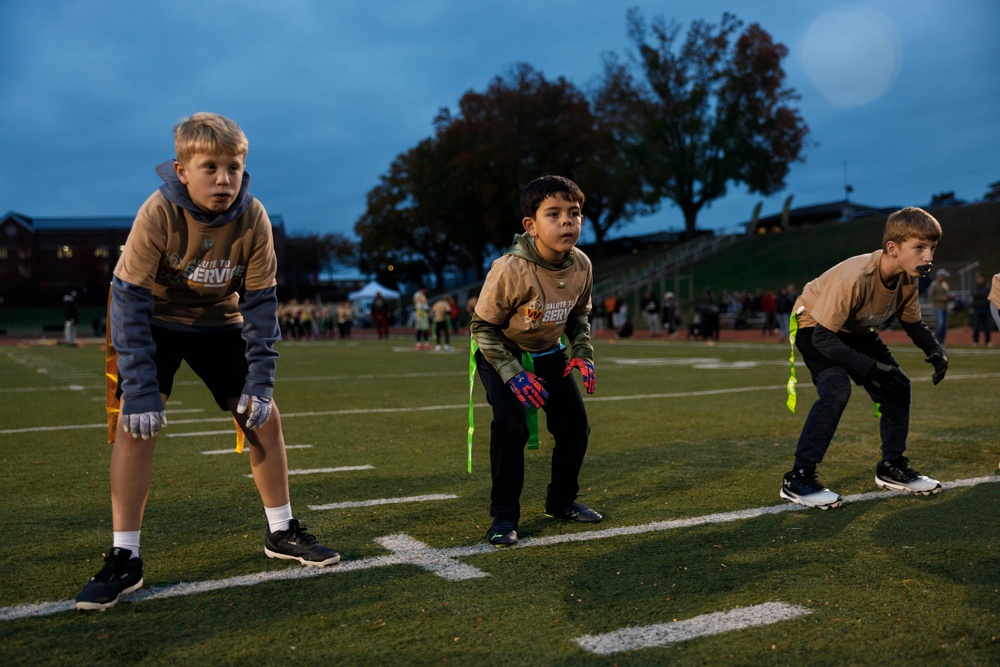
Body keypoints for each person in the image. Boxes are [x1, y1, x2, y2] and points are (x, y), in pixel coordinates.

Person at [75, 112, 338, 612]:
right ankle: (124, 555)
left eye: (233, 168)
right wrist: (140, 384)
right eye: (210, 167)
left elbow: (260, 304)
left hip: (220, 319)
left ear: (245, 170)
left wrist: (260, 382)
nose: (223, 178)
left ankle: (281, 530)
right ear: (181, 170)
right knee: (137, 424)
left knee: (263, 416)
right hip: (153, 318)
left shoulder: (253, 216)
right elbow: (127, 301)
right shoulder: (157, 213)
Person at [781, 207, 948, 510]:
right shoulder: (854, 278)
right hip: (815, 326)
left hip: (854, 328)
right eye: (920, 248)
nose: (928, 257)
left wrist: (935, 350)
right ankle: (798, 477)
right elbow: (823, 337)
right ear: (892, 249)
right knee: (836, 390)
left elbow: (912, 323)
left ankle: (892, 467)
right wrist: (870, 368)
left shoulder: (909, 278)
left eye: (932, 248)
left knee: (897, 385)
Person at [470, 175, 601, 547]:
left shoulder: (582, 264)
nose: (566, 222)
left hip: (548, 353)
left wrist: (582, 354)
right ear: (531, 225)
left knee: (575, 427)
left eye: (574, 213)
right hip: (502, 352)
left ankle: (561, 502)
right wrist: (512, 374)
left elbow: (578, 317)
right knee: (511, 425)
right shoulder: (510, 268)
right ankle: (504, 516)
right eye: (554, 213)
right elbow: (482, 328)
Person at [927, 268, 952, 343]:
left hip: (945, 307)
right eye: (943, 276)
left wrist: (949, 297)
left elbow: (947, 293)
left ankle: (942, 340)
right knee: (940, 323)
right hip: (938, 307)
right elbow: (930, 296)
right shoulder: (934, 284)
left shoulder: (944, 284)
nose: (944, 277)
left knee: (944, 324)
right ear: (939, 276)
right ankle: (936, 340)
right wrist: (941, 298)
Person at [969, 272, 992, 347]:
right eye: (979, 278)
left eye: (982, 278)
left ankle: (987, 341)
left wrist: (981, 295)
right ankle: (975, 341)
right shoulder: (974, 287)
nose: (981, 279)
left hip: (986, 308)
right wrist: (982, 295)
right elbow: (975, 294)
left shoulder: (987, 286)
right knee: (976, 325)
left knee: (987, 325)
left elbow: (988, 295)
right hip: (977, 308)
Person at [413, 284, 430, 350]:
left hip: (420, 315)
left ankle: (419, 343)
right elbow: (419, 305)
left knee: (420, 329)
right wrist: (427, 308)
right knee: (423, 329)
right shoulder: (420, 296)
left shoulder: (418, 295)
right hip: (422, 315)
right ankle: (423, 344)